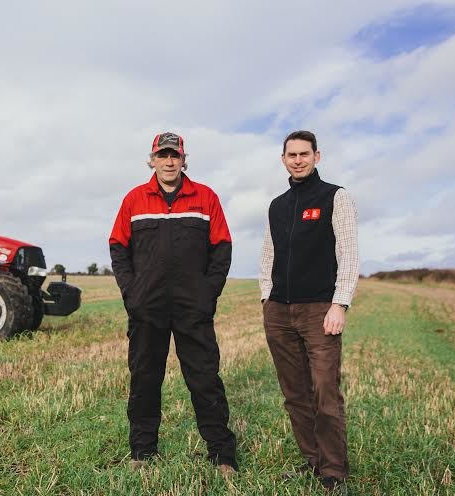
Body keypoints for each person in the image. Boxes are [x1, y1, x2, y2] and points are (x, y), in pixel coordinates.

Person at [109, 132, 238, 477]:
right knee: (145, 379)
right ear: (152, 160)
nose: (169, 162)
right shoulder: (134, 199)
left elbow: (222, 249)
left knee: (205, 379)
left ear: (183, 160)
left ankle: (222, 455)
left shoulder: (205, 197)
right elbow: (118, 248)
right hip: (147, 308)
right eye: (162, 155)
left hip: (192, 308)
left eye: (174, 156)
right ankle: (142, 451)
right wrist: (132, 293)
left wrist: (207, 294)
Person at [259, 130, 358, 493]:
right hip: (279, 312)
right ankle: (313, 462)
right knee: (295, 395)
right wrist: (266, 299)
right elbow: (268, 255)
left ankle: (334, 471)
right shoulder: (277, 205)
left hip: (320, 311)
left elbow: (349, 253)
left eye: (304, 154)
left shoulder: (335, 196)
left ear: (317, 156)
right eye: (292, 155)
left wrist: (340, 304)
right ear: (283, 159)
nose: (298, 160)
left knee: (325, 392)